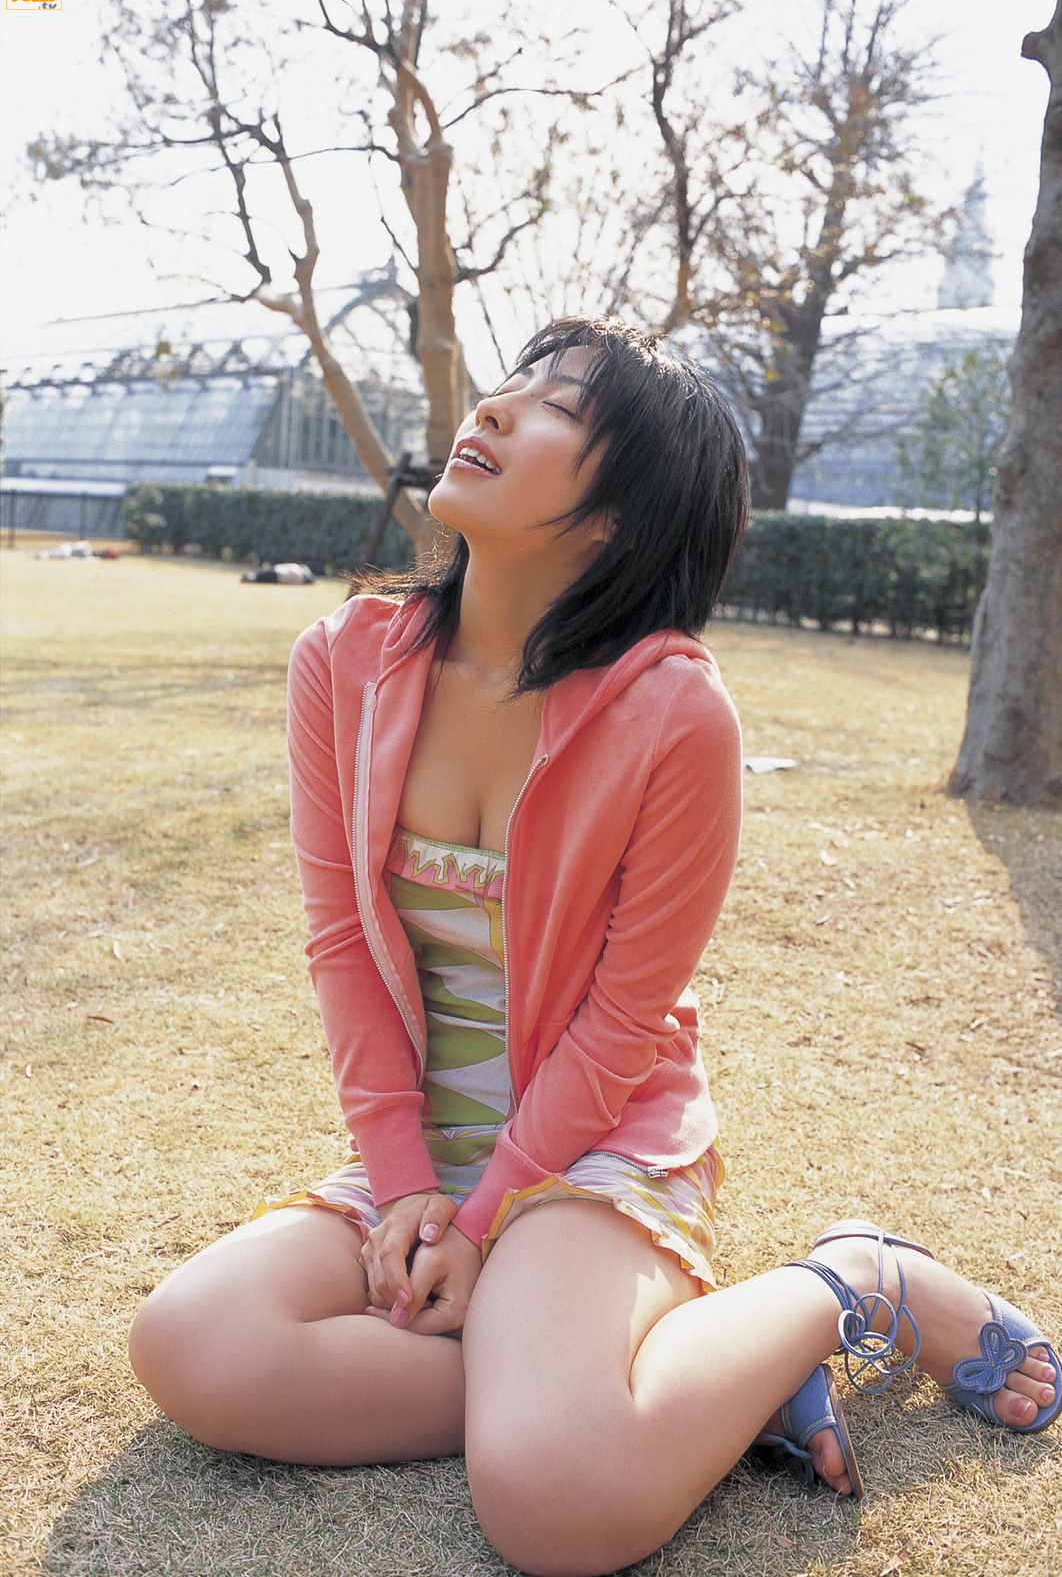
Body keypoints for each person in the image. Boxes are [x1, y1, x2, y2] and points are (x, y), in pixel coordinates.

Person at [129, 317, 1059, 1577]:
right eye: (508, 383)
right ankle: (688, 1386)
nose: (495, 407)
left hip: (594, 1149)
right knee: (193, 1345)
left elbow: (624, 1023)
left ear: (622, 516)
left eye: (556, 405)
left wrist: (486, 1216)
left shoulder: (674, 711)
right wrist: (406, 1187)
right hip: (425, 1156)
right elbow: (343, 942)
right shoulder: (344, 662)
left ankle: (857, 1282)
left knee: (555, 1506)